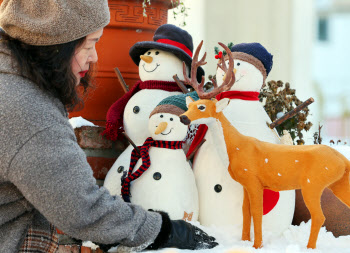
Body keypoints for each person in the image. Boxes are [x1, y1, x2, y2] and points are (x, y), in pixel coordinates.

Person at [0, 0, 218, 252]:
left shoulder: (12, 87)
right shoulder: (27, 110)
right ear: (58, 44)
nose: (94, 57)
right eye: (90, 44)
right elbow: (81, 209)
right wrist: (168, 231)